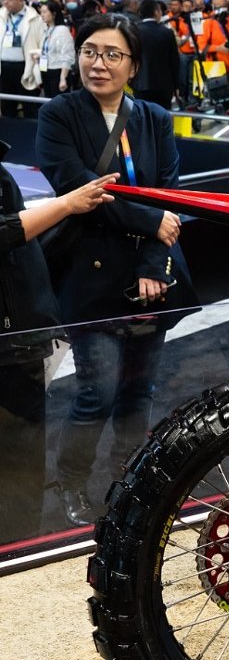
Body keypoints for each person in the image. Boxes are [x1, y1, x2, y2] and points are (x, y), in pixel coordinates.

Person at [35, 13, 195, 527]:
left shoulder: (154, 118)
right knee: (96, 391)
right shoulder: (59, 115)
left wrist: (154, 259)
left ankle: (130, 479)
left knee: (137, 392)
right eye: (89, 51)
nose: (98, 64)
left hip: (149, 276)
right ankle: (71, 480)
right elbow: (82, 193)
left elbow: (167, 195)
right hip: (89, 273)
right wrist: (153, 221)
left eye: (112, 54)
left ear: (133, 65)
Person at [0, 156, 117, 544]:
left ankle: (22, 547)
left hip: (24, 333)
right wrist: (66, 204)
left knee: (25, 457)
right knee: (19, 459)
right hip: (10, 343)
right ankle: (18, 552)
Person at [0, 0, 44, 118]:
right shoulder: (2, 17)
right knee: (7, 106)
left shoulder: (35, 18)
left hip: (25, 67)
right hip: (4, 67)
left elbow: (42, 44)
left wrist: (39, 69)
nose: (5, 2)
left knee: (30, 105)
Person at [132, 0, 180, 110]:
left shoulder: (134, 31)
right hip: (164, 86)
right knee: (162, 119)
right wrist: (176, 85)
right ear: (156, 12)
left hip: (140, 84)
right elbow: (174, 61)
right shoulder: (167, 32)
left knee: (143, 117)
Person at [36, 0, 76, 98]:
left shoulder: (62, 30)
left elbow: (67, 55)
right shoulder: (46, 30)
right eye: (41, 12)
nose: (42, 15)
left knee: (57, 102)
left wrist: (63, 78)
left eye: (45, 12)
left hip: (57, 72)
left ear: (54, 14)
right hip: (45, 69)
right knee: (48, 99)